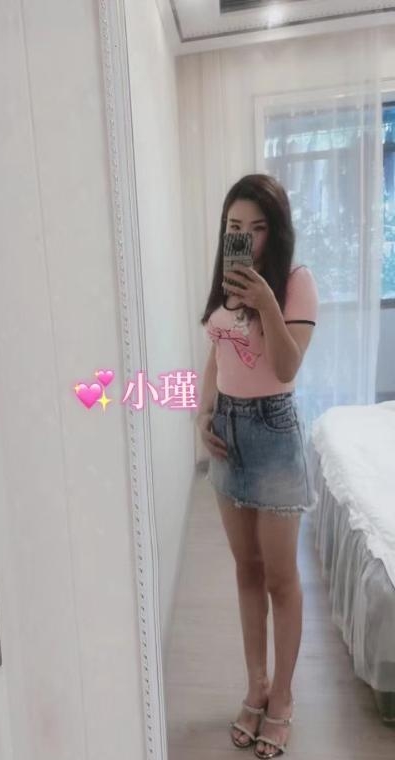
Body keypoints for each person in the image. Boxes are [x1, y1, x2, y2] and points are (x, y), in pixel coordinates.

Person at [196, 174, 319, 758]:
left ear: (278, 230)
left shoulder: (296, 283)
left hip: (272, 433)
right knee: (246, 570)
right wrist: (203, 413)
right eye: (234, 227)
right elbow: (217, 351)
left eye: (257, 227)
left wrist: (267, 301)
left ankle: (284, 698)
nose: (243, 237)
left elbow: (287, 367)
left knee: (280, 578)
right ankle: (256, 687)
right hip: (228, 433)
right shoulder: (225, 285)